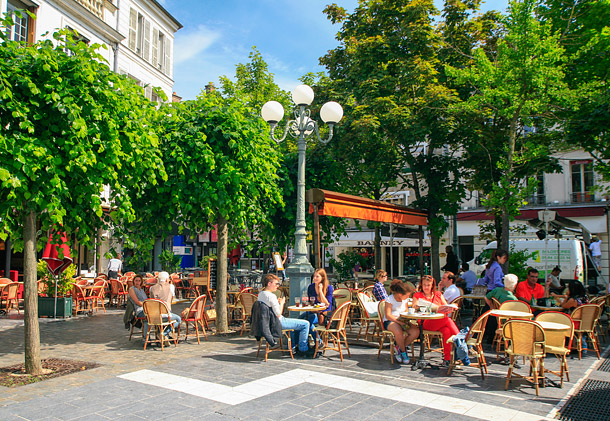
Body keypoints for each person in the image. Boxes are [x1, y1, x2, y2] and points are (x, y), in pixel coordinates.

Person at [258, 274, 313, 357]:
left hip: (266, 323)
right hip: (277, 322)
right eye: (276, 284)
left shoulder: (261, 294)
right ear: (269, 284)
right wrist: (282, 303)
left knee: (295, 321)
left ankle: (292, 347)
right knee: (306, 324)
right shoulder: (271, 296)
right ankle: (303, 349)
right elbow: (278, 313)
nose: (277, 286)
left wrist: (277, 302)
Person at [412, 275, 460, 366]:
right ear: (421, 285)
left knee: (447, 331)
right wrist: (425, 306)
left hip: (439, 322)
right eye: (424, 285)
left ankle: (447, 359)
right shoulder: (417, 295)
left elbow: (446, 306)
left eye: (428, 285)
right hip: (425, 322)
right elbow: (414, 307)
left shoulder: (438, 294)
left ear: (432, 286)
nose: (426, 287)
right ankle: (461, 341)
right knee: (448, 320)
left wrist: (451, 308)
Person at [382, 279, 419, 364]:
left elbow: (405, 310)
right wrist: (398, 321)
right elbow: (388, 315)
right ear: (400, 294)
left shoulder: (405, 300)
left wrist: (406, 318)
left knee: (415, 331)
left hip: (402, 320)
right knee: (398, 332)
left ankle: (398, 347)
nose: (408, 298)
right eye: (407, 296)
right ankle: (403, 351)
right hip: (391, 320)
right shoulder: (390, 299)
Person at [149, 271, 181, 338]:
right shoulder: (171, 287)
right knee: (178, 319)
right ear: (167, 279)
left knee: (160, 320)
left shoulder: (151, 288)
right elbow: (171, 299)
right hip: (165, 314)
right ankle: (164, 334)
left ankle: (161, 336)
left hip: (153, 315)